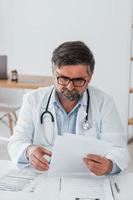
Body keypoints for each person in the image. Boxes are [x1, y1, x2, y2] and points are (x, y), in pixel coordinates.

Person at [8, 41, 129, 175]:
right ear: (53, 73)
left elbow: (119, 149)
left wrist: (109, 165)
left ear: (89, 78)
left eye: (78, 80)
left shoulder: (104, 102)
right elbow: (16, 142)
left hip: (87, 179)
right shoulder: (33, 100)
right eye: (64, 79)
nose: (70, 87)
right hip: (44, 177)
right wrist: (28, 152)